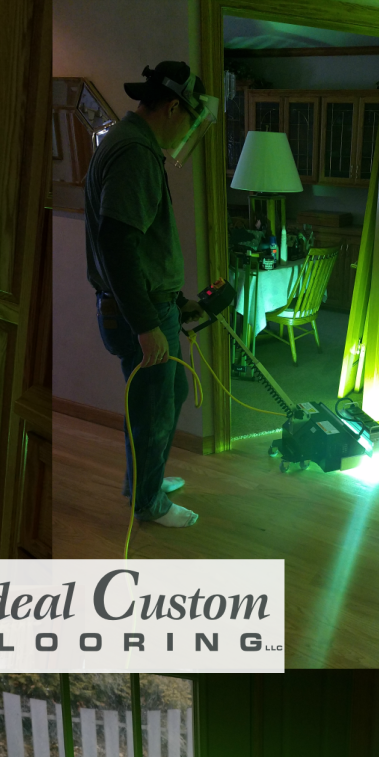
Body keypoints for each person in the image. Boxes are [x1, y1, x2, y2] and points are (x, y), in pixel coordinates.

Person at [84, 61, 218, 530]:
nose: (188, 132)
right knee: (153, 407)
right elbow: (118, 244)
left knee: (167, 393)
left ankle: (146, 480)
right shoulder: (135, 153)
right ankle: (148, 503)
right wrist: (145, 324)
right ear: (174, 107)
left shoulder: (128, 142)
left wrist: (174, 301)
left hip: (150, 305)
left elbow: (142, 248)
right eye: (191, 121)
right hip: (137, 314)